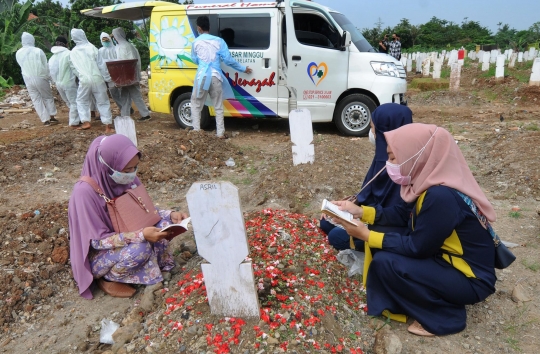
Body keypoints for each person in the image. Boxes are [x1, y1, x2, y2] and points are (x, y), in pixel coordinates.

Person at [332, 123, 497, 336]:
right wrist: (360, 212)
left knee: (386, 263)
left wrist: (367, 235)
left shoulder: (441, 196)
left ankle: (445, 315)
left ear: (416, 155)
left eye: (393, 158)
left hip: (470, 279)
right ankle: (414, 297)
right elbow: (402, 215)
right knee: (383, 236)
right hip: (443, 258)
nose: (389, 164)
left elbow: (418, 247)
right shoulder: (428, 182)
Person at [68, 134, 189, 299]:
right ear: (108, 166)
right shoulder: (84, 193)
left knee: (165, 225)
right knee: (141, 248)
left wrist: (170, 214)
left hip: (127, 234)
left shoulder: (124, 177)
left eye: (135, 167)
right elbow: (97, 241)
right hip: (101, 255)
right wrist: (141, 235)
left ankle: (158, 265)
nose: (132, 174)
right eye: (127, 170)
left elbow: (142, 209)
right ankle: (109, 278)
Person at [320, 103, 413, 251]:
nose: (372, 133)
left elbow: (400, 214)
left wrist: (362, 216)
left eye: (372, 128)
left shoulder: (404, 165)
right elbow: (370, 190)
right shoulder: (382, 156)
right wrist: (349, 205)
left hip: (392, 226)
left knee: (336, 236)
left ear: (385, 130)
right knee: (327, 223)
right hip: (373, 214)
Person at [191, 15, 253, 139]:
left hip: (201, 77)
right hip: (216, 77)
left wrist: (204, 64)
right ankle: (220, 133)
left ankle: (196, 132)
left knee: (196, 104)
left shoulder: (195, 42)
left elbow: (194, 59)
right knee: (218, 106)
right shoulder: (219, 41)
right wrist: (243, 69)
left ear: (198, 28)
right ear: (209, 27)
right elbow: (228, 60)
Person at [69, 28, 114, 132]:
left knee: (81, 100)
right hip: (97, 78)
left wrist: (81, 76)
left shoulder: (73, 52)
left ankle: (86, 122)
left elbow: (74, 68)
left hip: (84, 80)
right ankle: (107, 126)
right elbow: (101, 65)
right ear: (84, 35)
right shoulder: (92, 48)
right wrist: (107, 78)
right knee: (103, 101)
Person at [15, 32, 58, 126]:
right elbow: (45, 65)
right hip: (40, 77)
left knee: (36, 99)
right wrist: (50, 77)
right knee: (47, 96)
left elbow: (21, 65)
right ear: (32, 40)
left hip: (27, 78)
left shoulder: (18, 52)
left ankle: (45, 120)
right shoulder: (38, 51)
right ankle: (52, 117)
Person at [111, 27, 151, 121]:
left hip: (128, 76)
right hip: (130, 76)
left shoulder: (123, 47)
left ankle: (145, 114)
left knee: (135, 95)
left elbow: (125, 63)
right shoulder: (129, 45)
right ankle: (125, 115)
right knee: (125, 96)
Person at [49, 36, 80, 128]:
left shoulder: (52, 57)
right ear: (66, 44)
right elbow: (75, 68)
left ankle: (76, 119)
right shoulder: (69, 54)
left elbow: (51, 72)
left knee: (69, 103)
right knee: (75, 102)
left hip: (58, 83)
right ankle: (74, 122)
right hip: (69, 82)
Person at [97, 32, 123, 112]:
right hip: (107, 76)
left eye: (107, 40)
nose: (106, 42)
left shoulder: (116, 49)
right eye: (104, 41)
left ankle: (125, 108)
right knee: (114, 94)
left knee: (121, 93)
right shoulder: (100, 51)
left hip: (117, 75)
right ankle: (122, 108)